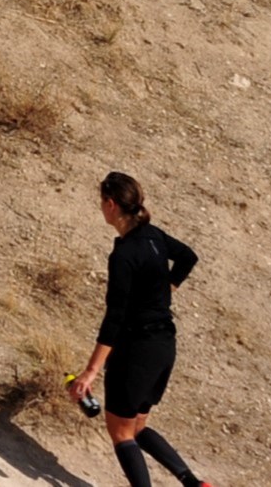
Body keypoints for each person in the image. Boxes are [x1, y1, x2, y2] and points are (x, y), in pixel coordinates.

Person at [67, 175, 214, 487]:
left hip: (136, 349)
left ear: (111, 204)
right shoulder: (154, 236)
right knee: (136, 428)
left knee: (120, 432)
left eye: (101, 202)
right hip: (164, 346)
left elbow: (115, 318)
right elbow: (188, 256)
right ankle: (194, 483)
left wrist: (91, 371)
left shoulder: (123, 255)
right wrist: (166, 289)